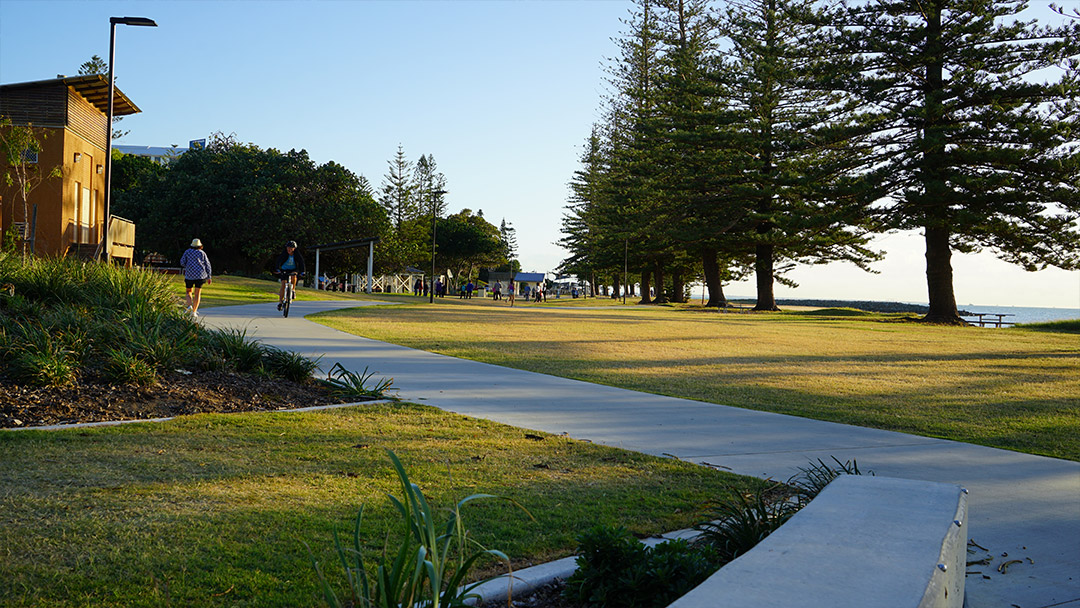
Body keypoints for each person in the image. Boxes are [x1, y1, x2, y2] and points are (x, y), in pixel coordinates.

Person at [179, 238, 212, 319]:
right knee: (197, 293)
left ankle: (189, 306)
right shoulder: (202, 253)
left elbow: (182, 262)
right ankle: (194, 311)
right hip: (200, 275)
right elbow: (208, 264)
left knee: (188, 291)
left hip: (189, 275)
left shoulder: (187, 252)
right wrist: (209, 276)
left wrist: (188, 265)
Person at [274, 241, 306, 311]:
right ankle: (280, 302)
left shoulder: (296, 254)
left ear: (294, 249)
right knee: (283, 285)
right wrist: (277, 269)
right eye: (288, 248)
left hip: (293, 269)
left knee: (294, 276)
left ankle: (293, 290)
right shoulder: (284, 253)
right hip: (284, 270)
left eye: (291, 248)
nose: (289, 250)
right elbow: (278, 261)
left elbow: (301, 262)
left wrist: (302, 271)